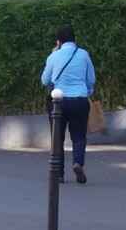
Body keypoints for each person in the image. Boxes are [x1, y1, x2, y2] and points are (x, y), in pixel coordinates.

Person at [40, 25, 97, 184]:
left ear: (58, 42)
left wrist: (52, 56)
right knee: (79, 136)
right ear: (75, 40)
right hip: (79, 100)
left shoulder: (54, 57)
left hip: (59, 103)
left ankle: (59, 173)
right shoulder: (83, 54)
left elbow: (44, 80)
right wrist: (87, 91)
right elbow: (91, 78)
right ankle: (78, 163)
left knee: (57, 138)